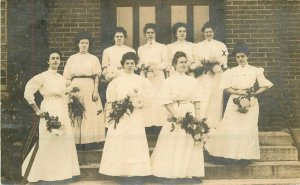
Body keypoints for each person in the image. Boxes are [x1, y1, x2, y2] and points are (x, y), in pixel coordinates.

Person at [205, 43, 273, 163]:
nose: (240, 59)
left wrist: (253, 94)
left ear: (247, 56)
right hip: (234, 101)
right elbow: (225, 87)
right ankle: (231, 155)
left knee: (247, 129)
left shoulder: (255, 70)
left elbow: (266, 85)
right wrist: (237, 91)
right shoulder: (231, 71)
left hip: (250, 101)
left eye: (243, 56)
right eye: (238, 57)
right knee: (232, 128)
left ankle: (245, 156)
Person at [22, 49, 80, 183]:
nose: (55, 60)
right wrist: (36, 109)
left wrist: (69, 104)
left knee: (63, 138)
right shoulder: (42, 76)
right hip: (48, 108)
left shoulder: (62, 79)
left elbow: (65, 96)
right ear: (48, 61)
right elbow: (28, 92)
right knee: (49, 138)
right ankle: (48, 173)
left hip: (62, 110)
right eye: (53, 58)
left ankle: (63, 173)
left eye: (57, 58)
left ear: (60, 61)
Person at [151, 51, 204, 180]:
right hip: (175, 111)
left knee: (189, 141)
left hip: (189, 110)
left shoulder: (192, 80)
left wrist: (197, 116)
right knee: (172, 141)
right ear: (174, 64)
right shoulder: (168, 81)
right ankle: (169, 174)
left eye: (185, 62)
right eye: (181, 62)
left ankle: (188, 174)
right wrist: (176, 115)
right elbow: (165, 100)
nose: (184, 64)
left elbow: (197, 98)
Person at [99, 52, 152, 178]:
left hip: (135, 117)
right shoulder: (116, 82)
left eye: (132, 63)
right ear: (122, 65)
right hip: (121, 117)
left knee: (134, 142)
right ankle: (120, 172)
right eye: (127, 63)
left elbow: (148, 99)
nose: (129, 65)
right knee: (121, 142)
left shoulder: (141, 81)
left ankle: (135, 172)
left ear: (135, 65)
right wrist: (120, 107)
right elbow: (111, 100)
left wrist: (139, 103)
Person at [63, 31, 105, 145]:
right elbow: (66, 77)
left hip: (89, 86)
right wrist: (69, 92)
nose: (84, 45)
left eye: (86, 43)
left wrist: (95, 90)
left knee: (90, 112)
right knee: (76, 111)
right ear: (78, 44)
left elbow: (97, 76)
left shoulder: (93, 58)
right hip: (76, 86)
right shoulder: (72, 58)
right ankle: (76, 141)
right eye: (82, 43)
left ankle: (89, 141)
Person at [193, 21, 229, 128]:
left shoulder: (221, 45)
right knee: (203, 98)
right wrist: (206, 65)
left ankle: (214, 125)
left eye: (211, 31)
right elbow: (196, 61)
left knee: (216, 99)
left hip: (216, 76)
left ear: (214, 32)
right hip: (203, 76)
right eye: (206, 31)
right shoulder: (198, 46)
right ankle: (202, 124)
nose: (209, 33)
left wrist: (217, 66)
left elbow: (224, 61)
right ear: (203, 33)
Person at [138, 23, 168, 127]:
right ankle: (146, 124)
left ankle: (158, 124)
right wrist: (144, 67)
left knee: (157, 98)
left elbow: (165, 63)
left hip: (157, 76)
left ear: (155, 34)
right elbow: (139, 63)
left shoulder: (162, 47)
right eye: (148, 33)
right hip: (145, 76)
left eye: (152, 32)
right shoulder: (141, 48)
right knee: (146, 97)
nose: (150, 34)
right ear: (145, 35)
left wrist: (155, 67)